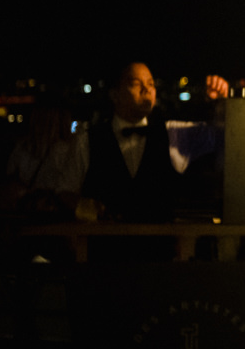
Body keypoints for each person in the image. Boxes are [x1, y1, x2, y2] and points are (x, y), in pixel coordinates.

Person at [78, 62, 228, 226]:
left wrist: (221, 103)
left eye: (151, 84)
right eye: (136, 84)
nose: (147, 89)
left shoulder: (172, 133)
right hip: (103, 248)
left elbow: (225, 137)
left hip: (160, 248)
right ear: (114, 95)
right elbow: (64, 192)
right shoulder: (87, 140)